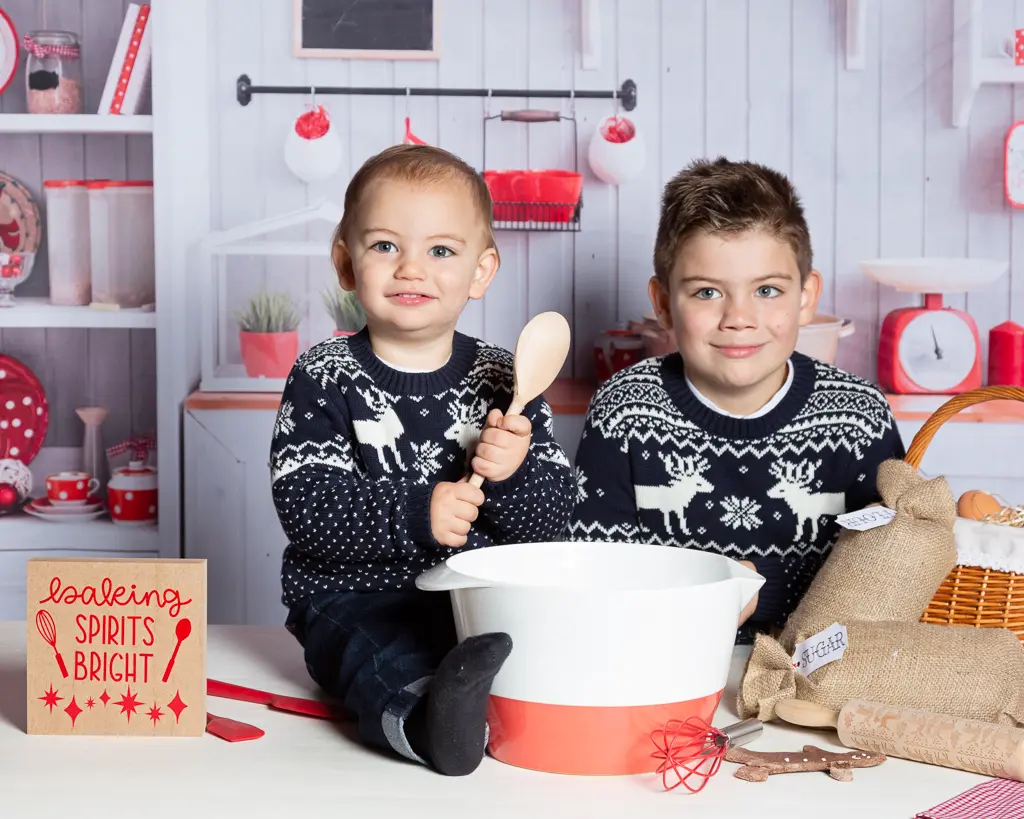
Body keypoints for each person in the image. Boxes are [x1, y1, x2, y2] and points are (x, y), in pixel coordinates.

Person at [270, 144, 575, 774]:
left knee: (540, 642)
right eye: (386, 246)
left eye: (440, 251)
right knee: (381, 655)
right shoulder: (324, 375)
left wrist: (514, 474)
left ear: (481, 271)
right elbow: (306, 506)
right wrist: (417, 514)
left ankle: (515, 710)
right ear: (345, 263)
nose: (411, 268)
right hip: (358, 595)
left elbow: (551, 524)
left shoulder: (508, 380)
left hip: (475, 596)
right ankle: (425, 725)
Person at [568, 156, 905, 644]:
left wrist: (755, 587)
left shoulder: (859, 416)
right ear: (663, 304)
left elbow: (890, 570)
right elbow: (598, 571)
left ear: (806, 297)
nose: (739, 318)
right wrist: (720, 587)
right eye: (707, 293)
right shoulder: (624, 410)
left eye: (767, 290)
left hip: (820, 671)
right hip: (659, 658)